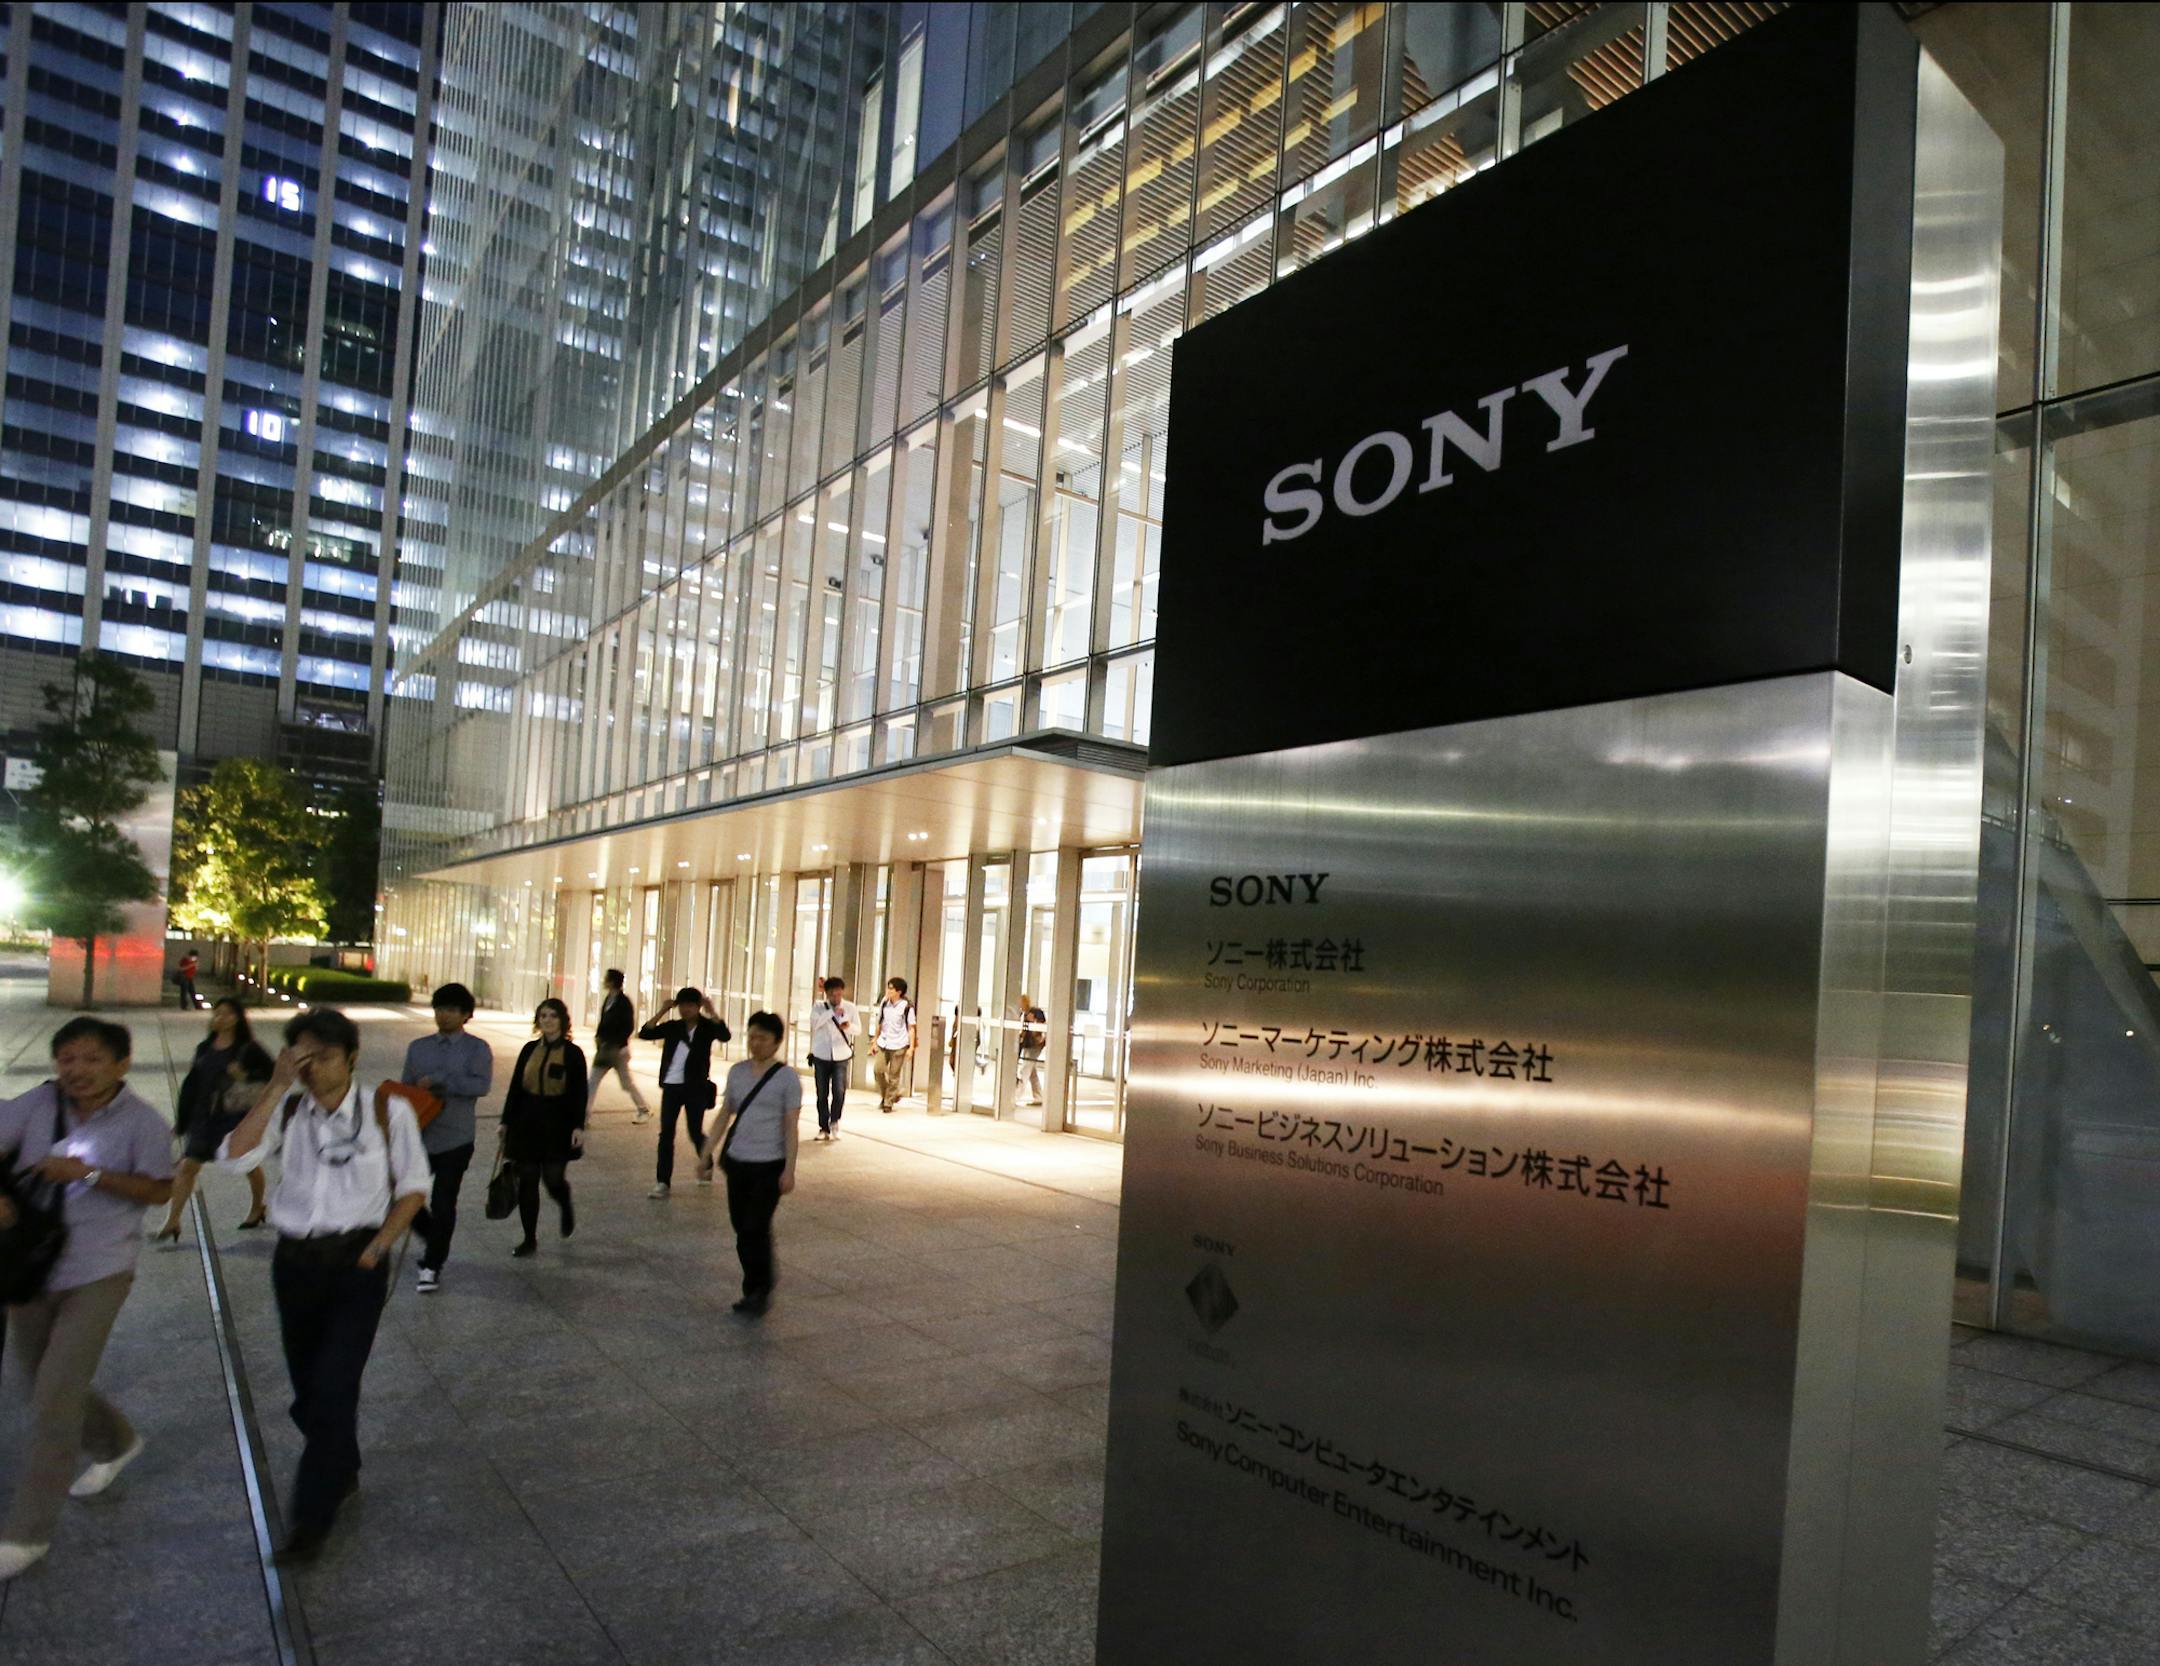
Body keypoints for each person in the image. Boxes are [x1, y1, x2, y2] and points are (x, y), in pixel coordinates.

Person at [217, 1007, 428, 1562]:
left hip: (357, 1262)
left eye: (324, 1057)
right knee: (310, 1391)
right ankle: (343, 1459)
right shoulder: (288, 1108)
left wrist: (378, 1246)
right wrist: (276, 1085)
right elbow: (234, 1159)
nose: (313, 1068)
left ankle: (311, 1519)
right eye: (302, 1057)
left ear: (352, 1058)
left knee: (335, 1386)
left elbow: (413, 1188)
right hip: (295, 1264)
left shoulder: (388, 1110)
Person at [0, 1018, 175, 1581]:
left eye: (92, 1059)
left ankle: (28, 1534)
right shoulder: (34, 1105)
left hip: (99, 1269)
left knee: (53, 1398)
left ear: (122, 1064)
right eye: (67, 1058)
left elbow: (159, 1188)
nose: (77, 1070)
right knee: (43, 1381)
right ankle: (117, 1441)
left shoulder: (143, 1123)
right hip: (29, 1267)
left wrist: (90, 1174)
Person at [155, 998, 273, 1242]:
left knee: (247, 1165)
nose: (221, 1018)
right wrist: (183, 1119)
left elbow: (273, 1075)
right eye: (217, 1013)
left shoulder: (248, 1048)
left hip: (233, 1119)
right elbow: (192, 1085)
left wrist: (246, 1075)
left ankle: (257, 1206)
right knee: (188, 1167)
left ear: (238, 1018)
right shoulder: (204, 1048)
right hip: (202, 1118)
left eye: (228, 1014)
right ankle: (173, 1220)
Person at [402, 982, 493, 1294]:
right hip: (420, 1135)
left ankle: (432, 1263)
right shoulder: (418, 1047)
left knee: (443, 1202)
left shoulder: (477, 1049)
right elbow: (406, 1090)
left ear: (466, 1014)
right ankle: (434, 1236)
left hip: (457, 1137)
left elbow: (480, 1086)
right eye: (440, 1009)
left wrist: (442, 1081)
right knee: (403, 1196)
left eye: (452, 1010)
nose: (444, 1015)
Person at [713, 1011, 802, 1316]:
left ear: (777, 1042)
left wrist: (789, 1169)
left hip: (770, 1164)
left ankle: (757, 1289)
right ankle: (759, 1280)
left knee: (755, 1226)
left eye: (762, 1037)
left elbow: (791, 1126)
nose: (755, 1043)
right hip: (738, 1162)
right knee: (742, 1229)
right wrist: (706, 1152)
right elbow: (726, 1113)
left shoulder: (787, 1078)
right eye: (751, 1036)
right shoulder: (737, 1072)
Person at [501, 999, 586, 1257]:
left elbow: (579, 1093)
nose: (547, 1020)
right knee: (527, 1181)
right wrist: (505, 1121)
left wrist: (578, 1126)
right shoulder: (529, 1050)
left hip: (557, 1122)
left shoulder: (572, 1054)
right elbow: (516, 1087)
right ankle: (529, 1238)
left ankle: (564, 1201)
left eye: (552, 1015)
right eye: (543, 1016)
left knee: (552, 1179)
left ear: (562, 1020)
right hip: (526, 1121)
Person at [637, 987, 730, 1199]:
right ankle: (662, 1182)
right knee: (666, 1134)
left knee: (694, 1130)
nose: (685, 1010)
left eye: (690, 1005)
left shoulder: (707, 1027)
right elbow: (645, 1033)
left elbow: (725, 1036)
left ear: (698, 1007)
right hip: (671, 1086)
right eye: (682, 1006)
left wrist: (712, 1011)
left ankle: (706, 1162)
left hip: (695, 1087)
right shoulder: (673, 1027)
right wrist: (662, 1010)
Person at [588, 968, 650, 1124]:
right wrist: (598, 1037)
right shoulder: (609, 999)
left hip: (618, 1050)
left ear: (611, 982)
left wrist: (615, 1042)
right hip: (605, 1048)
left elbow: (628, 1027)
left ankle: (643, 1109)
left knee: (625, 1083)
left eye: (606, 978)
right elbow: (603, 1022)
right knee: (594, 1081)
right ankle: (584, 1116)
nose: (603, 981)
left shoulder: (623, 1002)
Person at [809, 976, 857, 1141]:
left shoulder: (850, 1007)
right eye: (832, 995)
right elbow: (815, 1024)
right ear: (826, 993)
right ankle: (823, 1127)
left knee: (839, 1090)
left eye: (838, 994)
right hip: (821, 1054)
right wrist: (831, 1012)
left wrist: (848, 1026)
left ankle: (834, 1121)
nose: (836, 998)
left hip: (841, 1055)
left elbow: (858, 1029)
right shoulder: (819, 1006)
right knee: (822, 1093)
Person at [872, 977, 917, 1113]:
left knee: (894, 1075)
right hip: (884, 1042)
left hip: (899, 1044)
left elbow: (911, 1028)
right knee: (878, 1070)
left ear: (899, 991)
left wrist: (911, 1047)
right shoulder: (885, 1003)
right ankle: (889, 1095)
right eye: (888, 987)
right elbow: (880, 1022)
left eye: (891, 988)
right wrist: (874, 1041)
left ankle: (888, 1102)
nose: (888, 990)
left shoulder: (907, 1007)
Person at [1016, 993, 1049, 1108]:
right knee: (1031, 1072)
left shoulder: (1035, 1012)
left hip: (1035, 1045)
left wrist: (1033, 1021)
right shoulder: (1023, 1014)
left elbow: (1042, 1027)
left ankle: (1015, 1096)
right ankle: (1039, 1096)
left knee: (1025, 1070)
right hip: (1027, 1044)